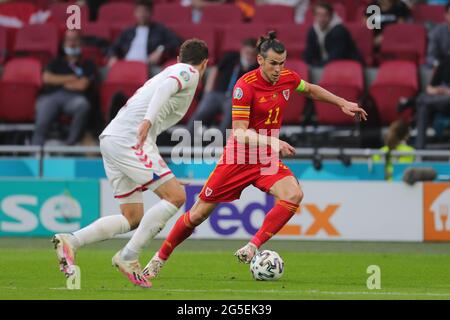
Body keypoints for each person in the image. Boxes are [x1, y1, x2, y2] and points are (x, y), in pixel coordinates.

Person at [141, 31, 367, 281]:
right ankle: (158, 259)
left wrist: (342, 102)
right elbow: (239, 133)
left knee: (293, 194)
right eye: (273, 63)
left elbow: (310, 89)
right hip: (238, 158)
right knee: (197, 214)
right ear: (260, 60)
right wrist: (273, 140)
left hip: (266, 159)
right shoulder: (244, 86)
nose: (278, 69)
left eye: (282, 63)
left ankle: (252, 246)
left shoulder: (288, 79)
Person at [52, 39, 209, 288]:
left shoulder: (170, 70)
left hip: (114, 139)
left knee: (133, 216)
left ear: (178, 57)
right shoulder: (187, 72)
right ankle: (128, 256)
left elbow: (153, 126)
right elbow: (167, 87)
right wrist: (147, 120)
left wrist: (164, 176)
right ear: (205, 64)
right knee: (176, 197)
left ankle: (72, 240)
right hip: (130, 140)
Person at [31, 29, 95, 146]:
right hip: (51, 97)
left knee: (83, 105)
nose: (72, 43)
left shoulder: (87, 63)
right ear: (64, 42)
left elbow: (82, 85)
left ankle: (69, 145)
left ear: (80, 42)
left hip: (73, 98)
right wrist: (71, 78)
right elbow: (46, 78)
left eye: (75, 39)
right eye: (68, 40)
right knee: (42, 120)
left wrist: (58, 80)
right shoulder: (56, 61)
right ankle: (35, 154)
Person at [187, 38, 258, 139]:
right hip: (217, 94)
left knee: (231, 116)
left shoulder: (256, 67)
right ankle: (186, 139)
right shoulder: (231, 57)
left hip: (234, 99)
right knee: (200, 112)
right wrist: (208, 91)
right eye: (247, 52)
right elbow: (215, 70)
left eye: (252, 54)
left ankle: (219, 142)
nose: (249, 56)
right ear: (242, 50)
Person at [107, 0, 181, 69]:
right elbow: (114, 46)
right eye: (139, 11)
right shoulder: (128, 31)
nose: (142, 14)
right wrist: (112, 56)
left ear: (151, 12)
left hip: (148, 66)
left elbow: (177, 41)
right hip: (126, 64)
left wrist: (160, 50)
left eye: (145, 11)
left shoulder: (160, 29)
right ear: (135, 13)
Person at [304, 1, 361, 66]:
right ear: (314, 16)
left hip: (348, 66)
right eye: (318, 15)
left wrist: (316, 67)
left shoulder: (339, 31)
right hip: (325, 66)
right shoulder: (313, 30)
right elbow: (308, 53)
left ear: (331, 16)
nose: (321, 19)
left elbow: (336, 57)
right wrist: (307, 66)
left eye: (325, 15)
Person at [415, 56, 450, 149]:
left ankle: (415, 101)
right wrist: (440, 90)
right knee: (423, 106)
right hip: (441, 101)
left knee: (423, 101)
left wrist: (446, 91)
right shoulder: (445, 62)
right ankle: (420, 151)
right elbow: (429, 88)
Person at [427, 3, 450, 68]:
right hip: (442, 66)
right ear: (446, 15)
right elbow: (430, 56)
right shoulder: (437, 32)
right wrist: (438, 64)